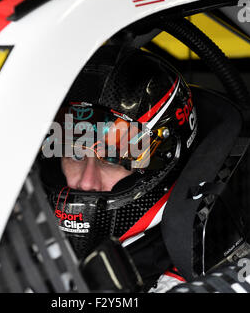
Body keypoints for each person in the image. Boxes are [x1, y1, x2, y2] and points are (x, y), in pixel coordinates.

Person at [39, 45, 199, 292]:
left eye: (113, 160)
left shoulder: (197, 280)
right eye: (74, 154)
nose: (86, 183)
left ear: (162, 165)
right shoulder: (5, 241)